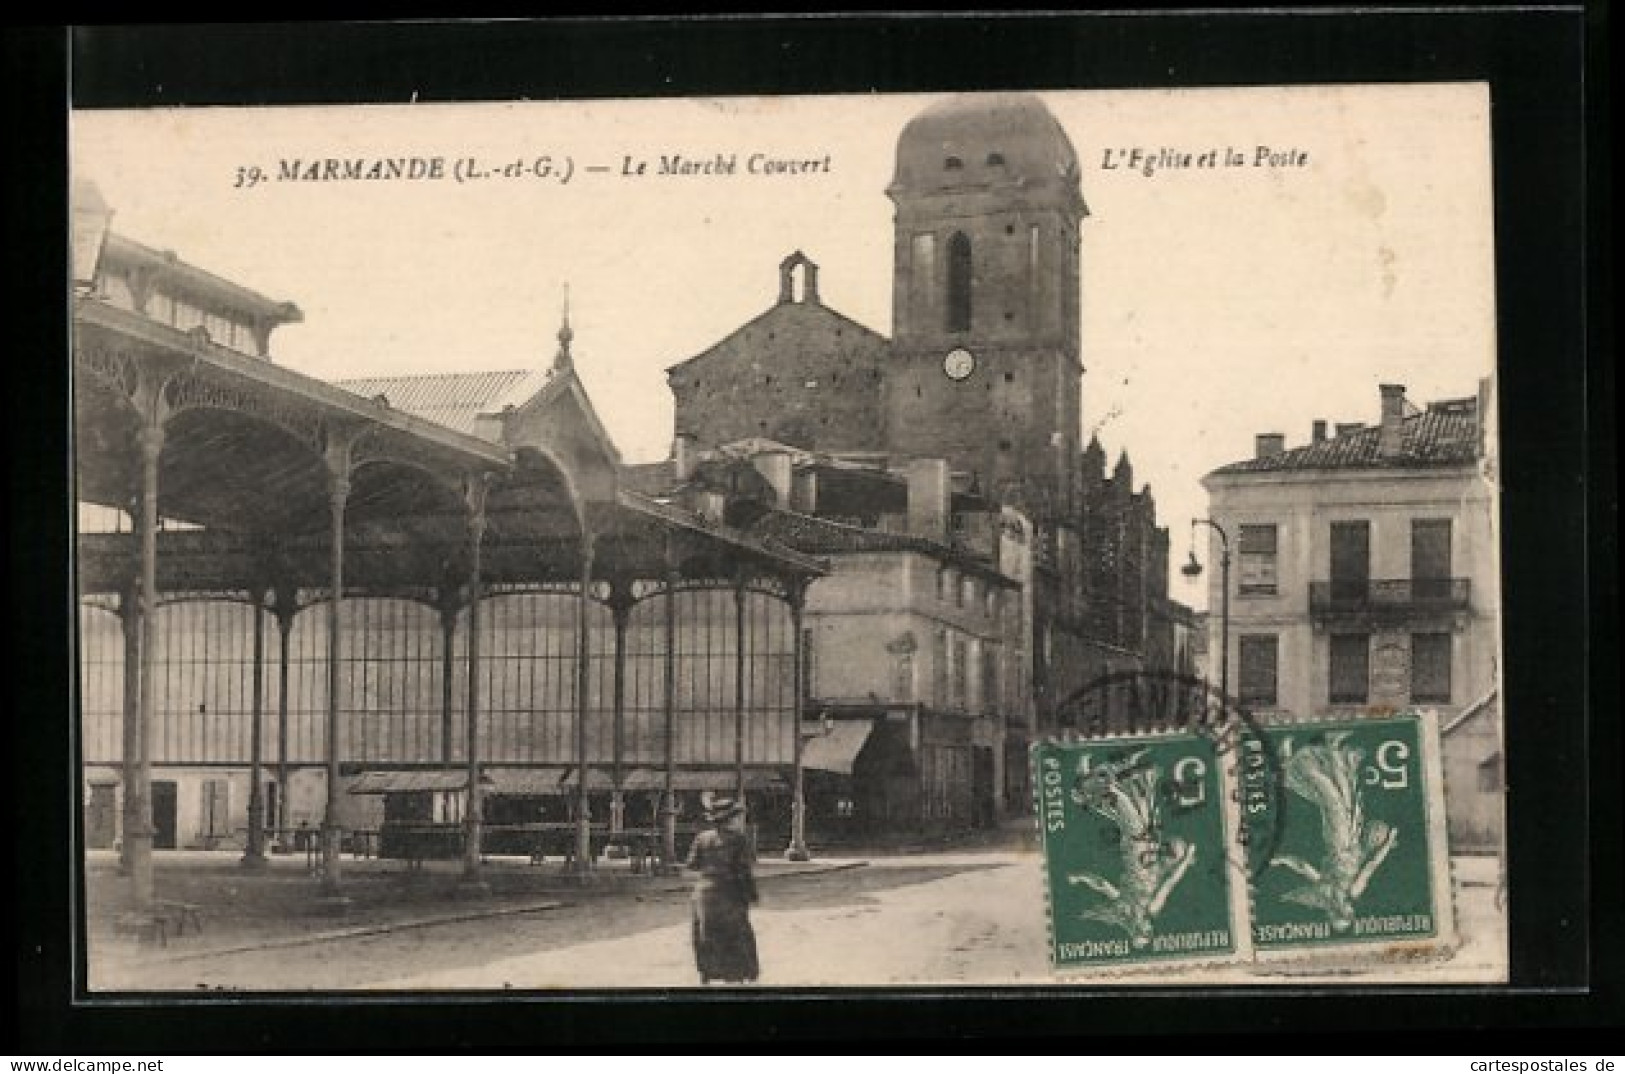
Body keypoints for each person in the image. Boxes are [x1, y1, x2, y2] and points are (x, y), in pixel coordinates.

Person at [685, 793, 760, 985]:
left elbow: (692, 865)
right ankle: (734, 974)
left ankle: (707, 973)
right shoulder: (738, 840)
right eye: (736, 816)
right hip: (729, 891)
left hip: (703, 892)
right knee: (735, 933)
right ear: (730, 819)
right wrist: (751, 895)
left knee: (706, 934)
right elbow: (743, 872)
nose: (738, 820)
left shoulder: (702, 838)